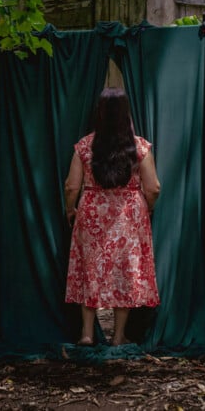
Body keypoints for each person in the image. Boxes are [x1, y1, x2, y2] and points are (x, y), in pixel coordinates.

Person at [63, 88, 161, 346]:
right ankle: (118, 337)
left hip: (92, 212)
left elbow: (72, 186)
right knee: (125, 272)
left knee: (90, 269)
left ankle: (86, 334)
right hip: (129, 215)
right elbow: (154, 187)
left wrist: (69, 209)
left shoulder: (84, 145)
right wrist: (147, 208)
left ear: (100, 113)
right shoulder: (140, 146)